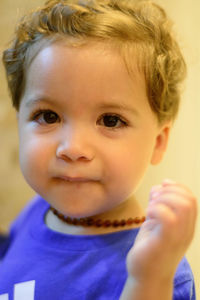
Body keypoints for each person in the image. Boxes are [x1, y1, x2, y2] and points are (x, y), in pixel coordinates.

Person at [0, 0, 197, 299]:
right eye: (48, 116)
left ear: (158, 142)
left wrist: (147, 280)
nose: (73, 148)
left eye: (110, 120)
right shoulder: (38, 210)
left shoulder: (159, 271)